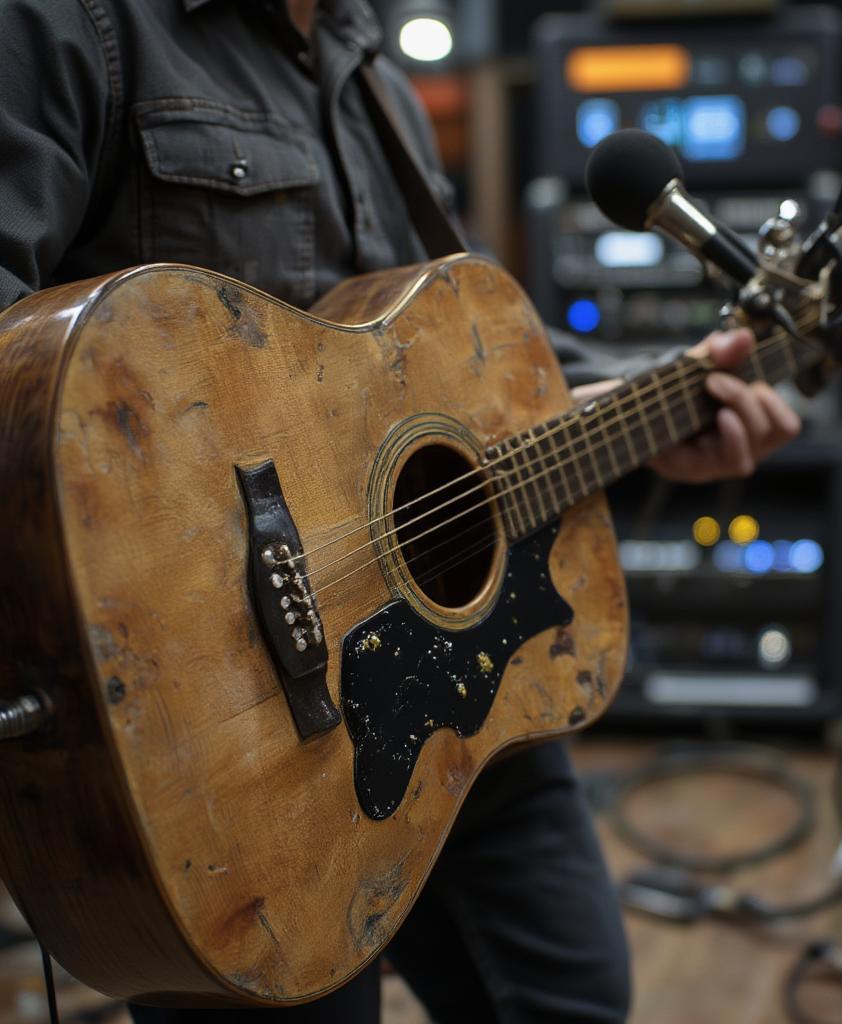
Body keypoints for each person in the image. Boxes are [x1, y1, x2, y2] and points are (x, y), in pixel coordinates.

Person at [0, 0, 800, 1020]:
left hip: (455, 680)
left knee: (569, 996)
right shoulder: (70, 23)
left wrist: (640, 402)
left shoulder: (369, 62)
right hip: (228, 742)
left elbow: (420, 362)